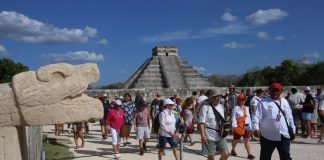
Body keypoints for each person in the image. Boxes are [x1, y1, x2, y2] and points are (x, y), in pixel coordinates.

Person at [253, 83, 295, 160]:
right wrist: (256, 128)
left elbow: (290, 117)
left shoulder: (285, 101)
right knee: (265, 158)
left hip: (283, 135)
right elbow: (256, 116)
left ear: (281, 91)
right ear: (269, 91)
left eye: (277, 91)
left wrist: (293, 129)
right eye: (273, 90)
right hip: (267, 136)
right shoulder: (263, 102)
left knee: (286, 157)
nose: (275, 93)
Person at [198, 89, 229, 160]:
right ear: (211, 98)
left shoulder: (221, 107)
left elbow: (223, 121)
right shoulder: (205, 107)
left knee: (226, 153)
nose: (219, 98)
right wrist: (203, 135)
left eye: (220, 96)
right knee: (211, 157)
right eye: (216, 97)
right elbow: (201, 123)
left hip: (220, 135)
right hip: (209, 135)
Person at [231, 95, 255, 159]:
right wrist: (234, 127)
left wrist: (251, 126)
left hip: (247, 126)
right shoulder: (235, 108)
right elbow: (233, 118)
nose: (242, 101)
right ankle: (233, 149)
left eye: (243, 100)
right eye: (241, 100)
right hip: (239, 127)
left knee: (247, 140)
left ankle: (249, 154)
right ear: (238, 100)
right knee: (236, 139)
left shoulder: (246, 108)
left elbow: (249, 118)